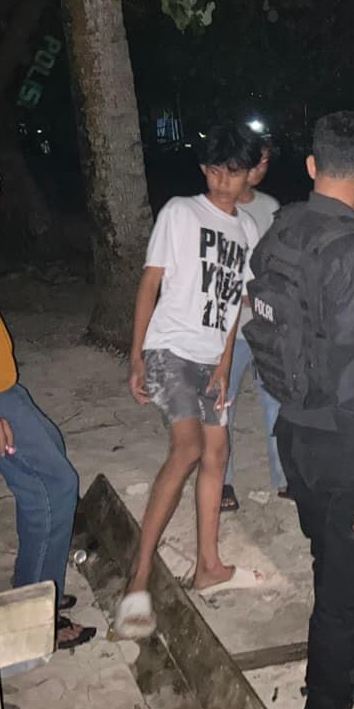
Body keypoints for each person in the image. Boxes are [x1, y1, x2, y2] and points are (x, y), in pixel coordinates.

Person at [248, 111, 354, 709]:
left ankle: (337, 670)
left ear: (313, 165)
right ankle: (327, 701)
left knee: (328, 556)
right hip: (343, 447)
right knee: (345, 596)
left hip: (292, 430)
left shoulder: (282, 230)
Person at [0, 121, 95, 653]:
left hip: (0, 386)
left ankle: (35, 590)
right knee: (53, 487)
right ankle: (36, 616)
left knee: (50, 461)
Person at [114, 124, 263, 640]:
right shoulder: (179, 212)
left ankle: (208, 566)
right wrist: (136, 355)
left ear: (250, 174)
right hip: (169, 351)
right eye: (216, 171)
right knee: (188, 448)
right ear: (205, 170)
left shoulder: (247, 230)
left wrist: (225, 363)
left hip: (211, 360)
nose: (224, 182)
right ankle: (137, 579)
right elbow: (150, 282)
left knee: (217, 454)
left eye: (234, 173)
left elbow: (234, 306)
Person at [221, 134, 287, 509]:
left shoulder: (270, 207)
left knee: (276, 402)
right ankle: (223, 481)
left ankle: (283, 477)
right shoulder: (217, 208)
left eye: (265, 162)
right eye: (255, 161)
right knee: (222, 406)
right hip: (226, 329)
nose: (260, 169)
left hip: (265, 325)